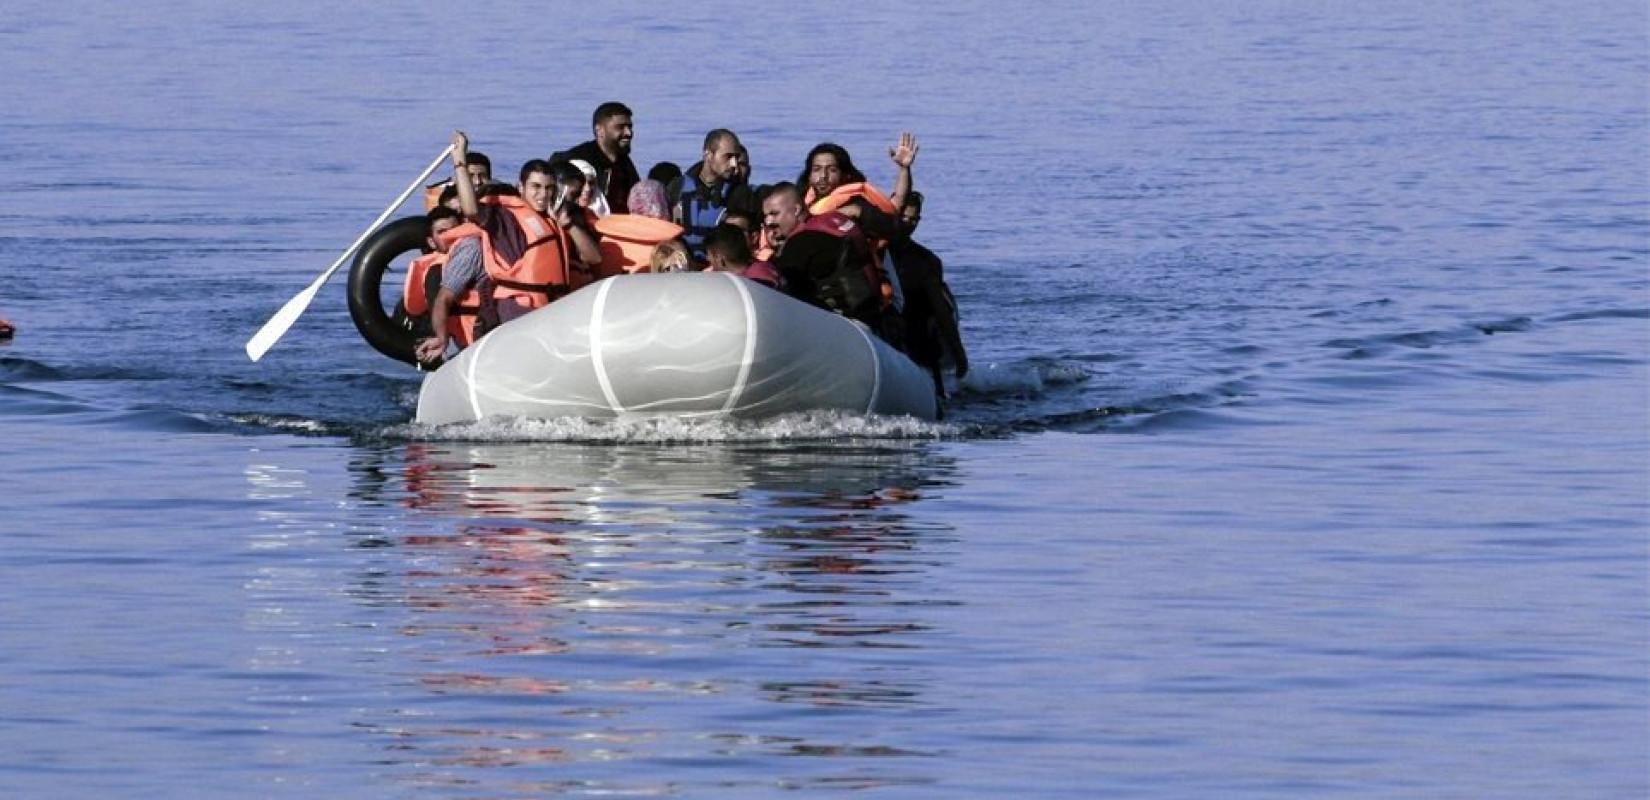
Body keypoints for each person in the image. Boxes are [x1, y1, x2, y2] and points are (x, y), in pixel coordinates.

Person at [449, 131, 596, 324]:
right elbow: (471, 210)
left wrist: (568, 224)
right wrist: (459, 161)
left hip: (552, 310)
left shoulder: (555, 220)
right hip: (518, 312)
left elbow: (593, 258)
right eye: (536, 187)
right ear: (521, 188)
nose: (543, 195)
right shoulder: (505, 216)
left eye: (549, 188)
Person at [761, 182, 895, 342]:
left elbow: (780, 293)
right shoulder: (836, 220)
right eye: (765, 216)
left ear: (796, 210)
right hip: (874, 320)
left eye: (774, 214)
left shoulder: (800, 243)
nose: (768, 222)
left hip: (845, 328)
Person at [886, 191, 967, 393]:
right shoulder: (870, 249)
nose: (908, 224)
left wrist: (958, 351)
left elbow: (941, 309)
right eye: (903, 217)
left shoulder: (926, 261)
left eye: (913, 219)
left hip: (917, 331)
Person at [411, 206, 495, 364]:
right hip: (464, 341)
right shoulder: (443, 260)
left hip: (479, 341)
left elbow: (443, 299)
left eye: (454, 230)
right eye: (442, 232)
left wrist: (441, 340)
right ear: (431, 242)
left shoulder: (469, 249)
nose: (450, 235)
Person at [666, 129, 759, 261]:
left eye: (736, 157)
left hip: (721, 267)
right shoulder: (678, 187)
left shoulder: (740, 193)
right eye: (728, 157)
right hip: (682, 265)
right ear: (708, 155)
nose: (734, 164)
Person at [552, 101, 638, 214]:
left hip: (618, 222)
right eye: (620, 127)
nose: (628, 133)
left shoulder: (625, 163)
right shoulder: (576, 159)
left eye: (629, 127)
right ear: (599, 130)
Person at [703, 222, 779, 288]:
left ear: (719, 259)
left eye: (709, 255)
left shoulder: (753, 285)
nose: (707, 259)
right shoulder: (766, 268)